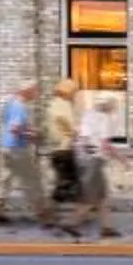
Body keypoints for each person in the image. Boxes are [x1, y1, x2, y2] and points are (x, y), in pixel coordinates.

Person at [57, 87, 128, 240]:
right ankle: (71, 223)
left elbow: (81, 137)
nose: (115, 107)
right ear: (108, 105)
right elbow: (105, 144)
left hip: (83, 158)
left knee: (102, 196)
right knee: (90, 197)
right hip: (94, 161)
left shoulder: (88, 114)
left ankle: (106, 228)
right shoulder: (103, 118)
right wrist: (122, 159)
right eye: (114, 104)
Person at [0, 80, 51, 226]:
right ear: (27, 91)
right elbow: (14, 128)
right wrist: (31, 135)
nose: (36, 94)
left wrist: (29, 130)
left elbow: (9, 126)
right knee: (33, 180)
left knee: (6, 179)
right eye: (34, 91)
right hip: (18, 149)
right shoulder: (19, 107)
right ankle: (42, 213)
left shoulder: (11, 103)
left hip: (7, 147)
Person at [45, 78, 83, 226]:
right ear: (68, 92)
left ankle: (79, 214)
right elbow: (70, 126)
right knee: (66, 183)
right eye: (74, 91)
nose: (75, 95)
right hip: (65, 148)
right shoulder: (64, 106)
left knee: (67, 182)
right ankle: (49, 213)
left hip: (56, 149)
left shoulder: (52, 105)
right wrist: (78, 132)